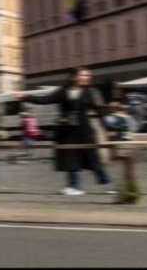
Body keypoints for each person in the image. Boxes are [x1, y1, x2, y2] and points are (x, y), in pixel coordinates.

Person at [26, 67, 114, 196]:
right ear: (73, 77)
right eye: (84, 75)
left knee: (93, 158)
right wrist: (25, 96)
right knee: (71, 159)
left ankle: (107, 185)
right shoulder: (63, 91)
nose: (87, 78)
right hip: (67, 131)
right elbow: (45, 99)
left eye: (88, 76)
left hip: (84, 130)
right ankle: (74, 186)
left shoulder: (91, 92)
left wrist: (108, 128)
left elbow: (101, 111)